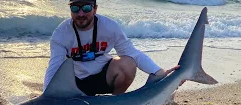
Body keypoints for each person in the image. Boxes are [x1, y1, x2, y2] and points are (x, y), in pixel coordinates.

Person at [43, 0, 180, 96]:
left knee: (128, 63)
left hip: (103, 77)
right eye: (75, 8)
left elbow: (133, 53)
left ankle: (115, 103)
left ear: (95, 8)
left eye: (86, 8)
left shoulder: (109, 27)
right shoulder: (61, 34)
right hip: (75, 82)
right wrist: (46, 96)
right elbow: (54, 66)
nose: (80, 14)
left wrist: (159, 72)